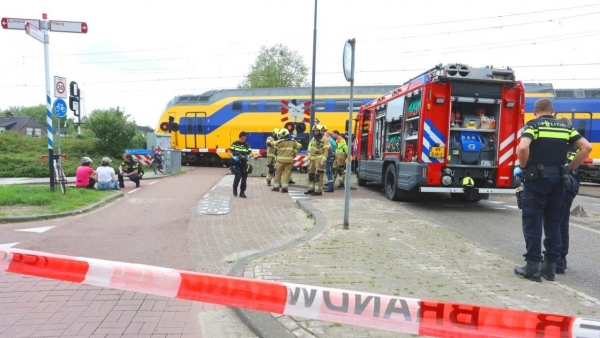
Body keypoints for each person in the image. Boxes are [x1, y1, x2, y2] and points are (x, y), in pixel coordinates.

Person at [513, 98, 592, 282]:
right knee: (554, 223)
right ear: (552, 110)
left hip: (536, 180)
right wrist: (570, 168)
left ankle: (533, 267)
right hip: (559, 181)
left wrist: (523, 167)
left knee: (532, 221)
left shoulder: (533, 126)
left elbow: (523, 147)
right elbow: (586, 147)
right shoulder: (565, 128)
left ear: (535, 111)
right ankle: (550, 268)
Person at [546, 117, 582, 274]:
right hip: (570, 188)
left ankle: (558, 260)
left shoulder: (562, 149)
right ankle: (560, 259)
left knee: (558, 225)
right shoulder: (575, 149)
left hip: (563, 188)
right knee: (562, 225)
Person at [271, 128, 302, 193]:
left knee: (278, 173)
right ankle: (284, 188)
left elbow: (272, 144)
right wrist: (294, 151)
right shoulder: (293, 141)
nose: (279, 137)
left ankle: (276, 187)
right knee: (286, 174)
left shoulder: (279, 142)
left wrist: (278, 141)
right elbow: (299, 146)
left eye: (279, 135)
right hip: (289, 161)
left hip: (280, 161)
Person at [304, 124, 330, 196]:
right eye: (314, 131)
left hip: (319, 159)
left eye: (317, 131)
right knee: (311, 174)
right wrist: (308, 157)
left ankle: (318, 191)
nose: (315, 132)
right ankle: (311, 189)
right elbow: (309, 148)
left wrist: (323, 160)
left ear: (320, 131)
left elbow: (326, 150)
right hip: (312, 159)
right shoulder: (313, 139)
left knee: (318, 175)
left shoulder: (324, 139)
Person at [229, 131, 252, 198]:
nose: (243, 140)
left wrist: (248, 156)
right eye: (242, 139)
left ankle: (242, 192)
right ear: (239, 138)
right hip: (236, 163)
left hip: (244, 164)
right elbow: (229, 152)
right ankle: (235, 188)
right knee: (238, 176)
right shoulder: (235, 144)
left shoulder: (247, 145)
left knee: (244, 179)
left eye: (244, 139)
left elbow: (250, 152)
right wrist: (233, 157)